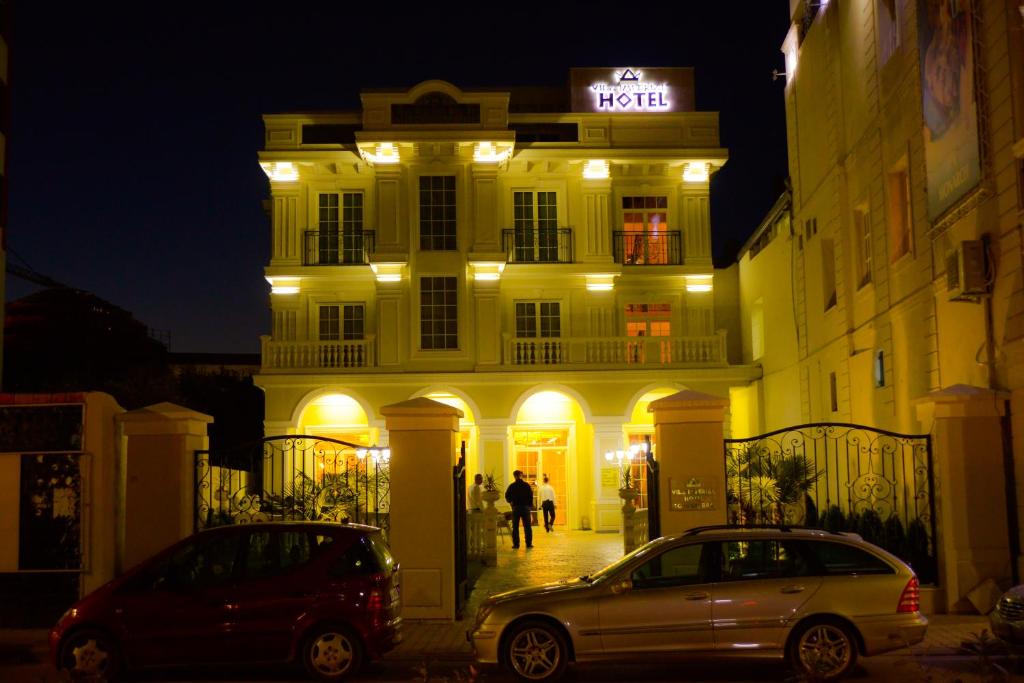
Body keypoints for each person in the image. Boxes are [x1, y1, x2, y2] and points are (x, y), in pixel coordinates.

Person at [504, 469, 534, 549]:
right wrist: (530, 506)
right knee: (527, 526)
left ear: (514, 476)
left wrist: (511, 502)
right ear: (521, 475)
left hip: (516, 508)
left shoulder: (512, 486)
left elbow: (507, 496)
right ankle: (528, 543)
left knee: (515, 527)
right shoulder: (526, 485)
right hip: (525, 507)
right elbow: (531, 496)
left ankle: (516, 544)